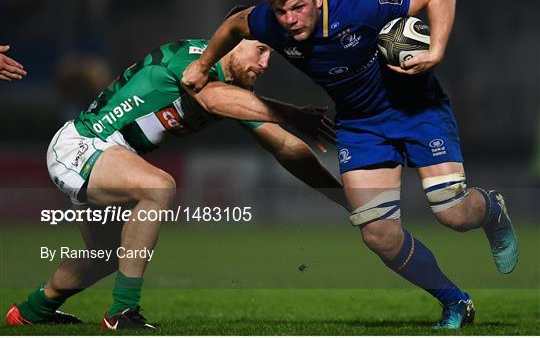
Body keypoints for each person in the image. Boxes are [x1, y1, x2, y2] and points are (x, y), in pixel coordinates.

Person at [181, 0, 519, 329]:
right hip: (361, 125)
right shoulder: (268, 21)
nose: (290, 19)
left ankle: (493, 211)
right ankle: (455, 301)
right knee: (378, 233)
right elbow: (233, 25)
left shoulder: (360, 0)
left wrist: (436, 50)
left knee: (452, 212)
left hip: (417, 109)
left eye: (298, 7)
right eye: (281, 11)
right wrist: (202, 64)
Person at [6, 35, 343, 330]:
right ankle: (123, 312)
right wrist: (295, 114)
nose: (266, 62)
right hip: (83, 144)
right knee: (158, 187)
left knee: (108, 256)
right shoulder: (193, 60)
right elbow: (210, 99)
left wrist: (343, 198)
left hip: (107, 155)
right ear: (232, 41)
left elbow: (286, 146)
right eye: (261, 49)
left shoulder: (235, 90)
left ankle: (30, 313)